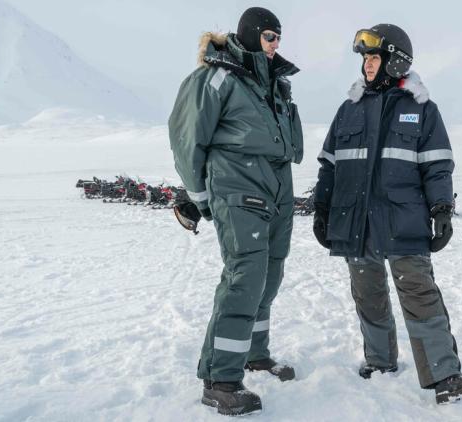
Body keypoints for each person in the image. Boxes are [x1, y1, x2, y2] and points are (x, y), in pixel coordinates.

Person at [313, 24, 462, 404]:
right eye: (365, 59)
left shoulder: (421, 109)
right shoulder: (348, 109)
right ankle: (379, 362)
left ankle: (444, 375)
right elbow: (329, 165)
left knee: (421, 296)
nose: (367, 66)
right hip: (356, 225)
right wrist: (322, 209)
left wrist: (442, 209)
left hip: (402, 223)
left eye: (374, 58)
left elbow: (438, 165)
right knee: (368, 296)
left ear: (395, 62)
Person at [168, 7, 303, 416]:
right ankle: (220, 377)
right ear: (248, 35)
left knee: (270, 273)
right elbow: (187, 139)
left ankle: (254, 353)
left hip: (277, 185)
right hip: (237, 182)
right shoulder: (216, 77)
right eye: (269, 36)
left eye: (278, 36)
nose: (276, 43)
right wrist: (200, 195)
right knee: (245, 273)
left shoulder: (274, 83)